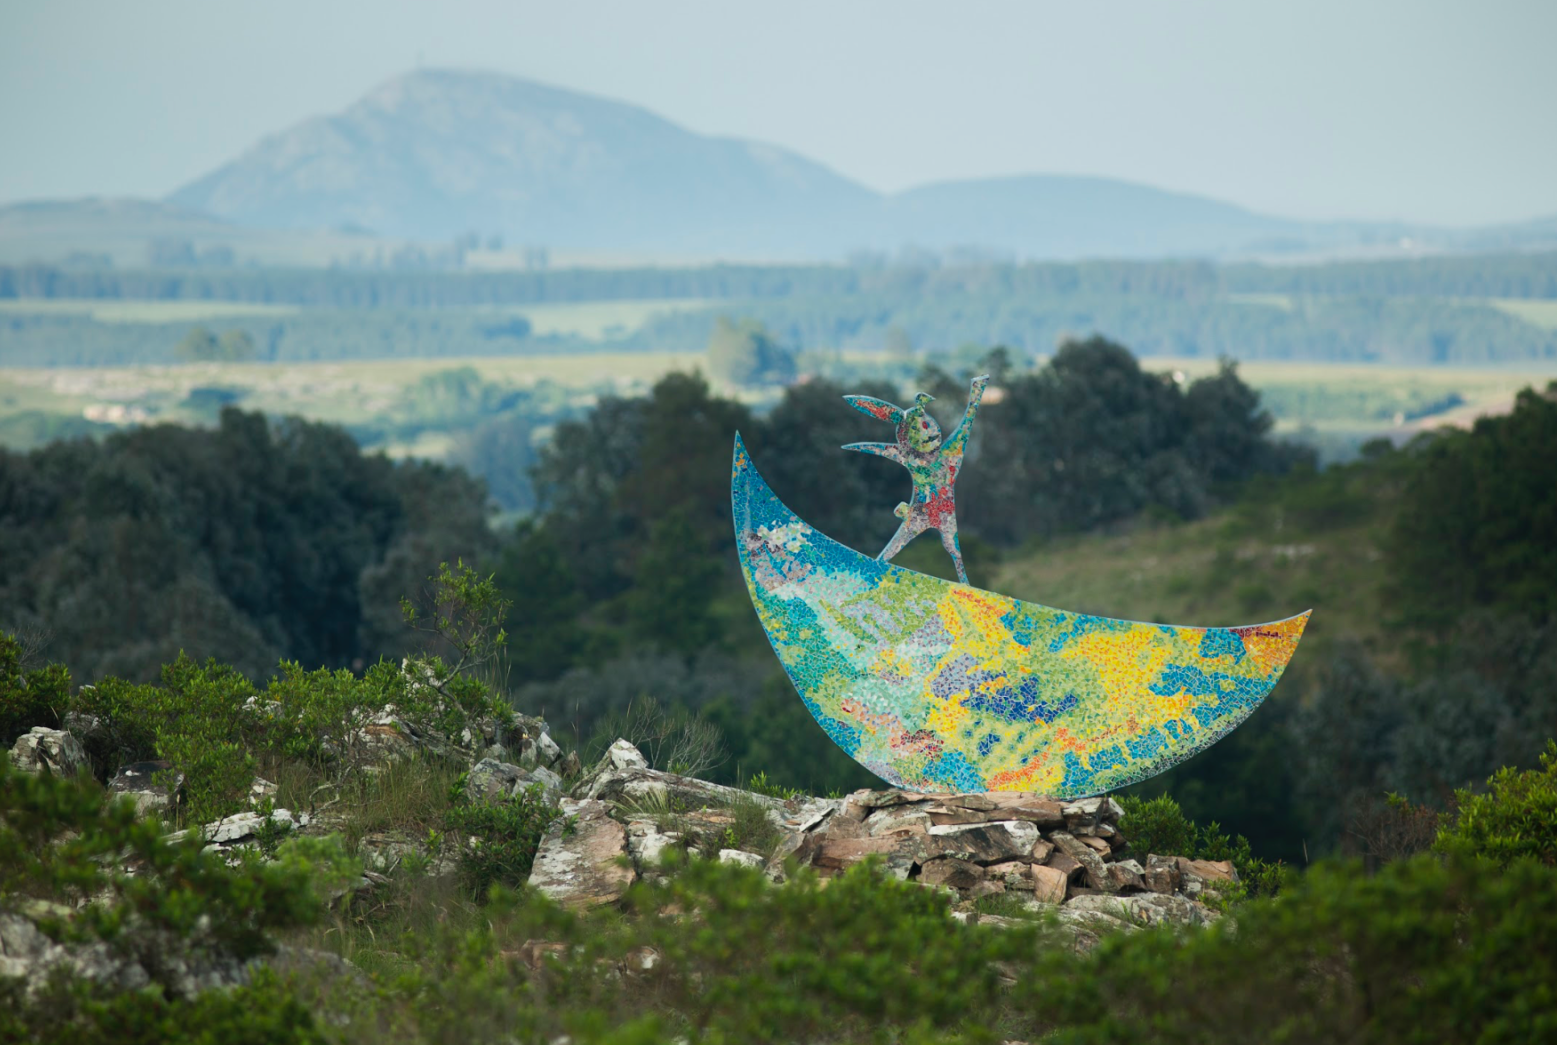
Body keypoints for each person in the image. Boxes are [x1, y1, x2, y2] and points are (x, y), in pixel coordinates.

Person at [842, 374, 989, 583]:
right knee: (903, 545)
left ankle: (963, 583)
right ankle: (873, 573)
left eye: (928, 426)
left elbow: (966, 424)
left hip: (939, 511)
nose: (928, 432)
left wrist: (976, 393)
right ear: (908, 438)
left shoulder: (948, 453)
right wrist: (976, 393)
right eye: (920, 430)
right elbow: (882, 449)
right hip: (922, 511)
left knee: (952, 549)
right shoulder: (916, 456)